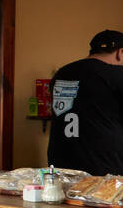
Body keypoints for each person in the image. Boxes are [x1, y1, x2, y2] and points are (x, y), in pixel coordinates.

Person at [47, 29, 123, 175]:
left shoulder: (62, 73)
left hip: (60, 165)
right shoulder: (118, 75)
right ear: (120, 53)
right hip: (105, 170)